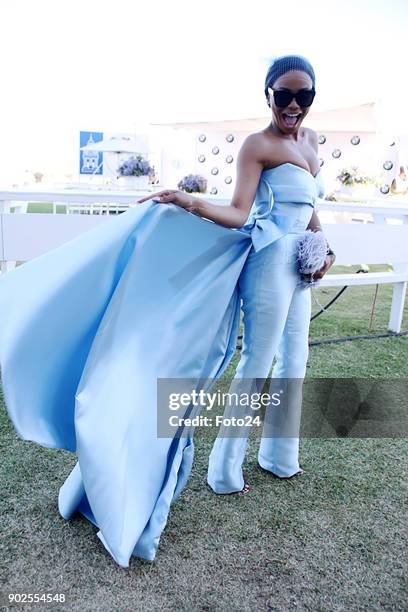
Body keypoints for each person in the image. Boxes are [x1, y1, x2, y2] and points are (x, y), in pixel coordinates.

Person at [0, 54, 335, 568]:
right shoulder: (257, 145)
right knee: (257, 365)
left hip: (302, 266)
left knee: (297, 362)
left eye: (303, 96)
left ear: (312, 98)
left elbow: (310, 210)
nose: (293, 105)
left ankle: (279, 456)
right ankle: (225, 470)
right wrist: (188, 202)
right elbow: (239, 213)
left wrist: (324, 250)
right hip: (268, 264)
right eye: (284, 95)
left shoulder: (311, 143)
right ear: (267, 95)